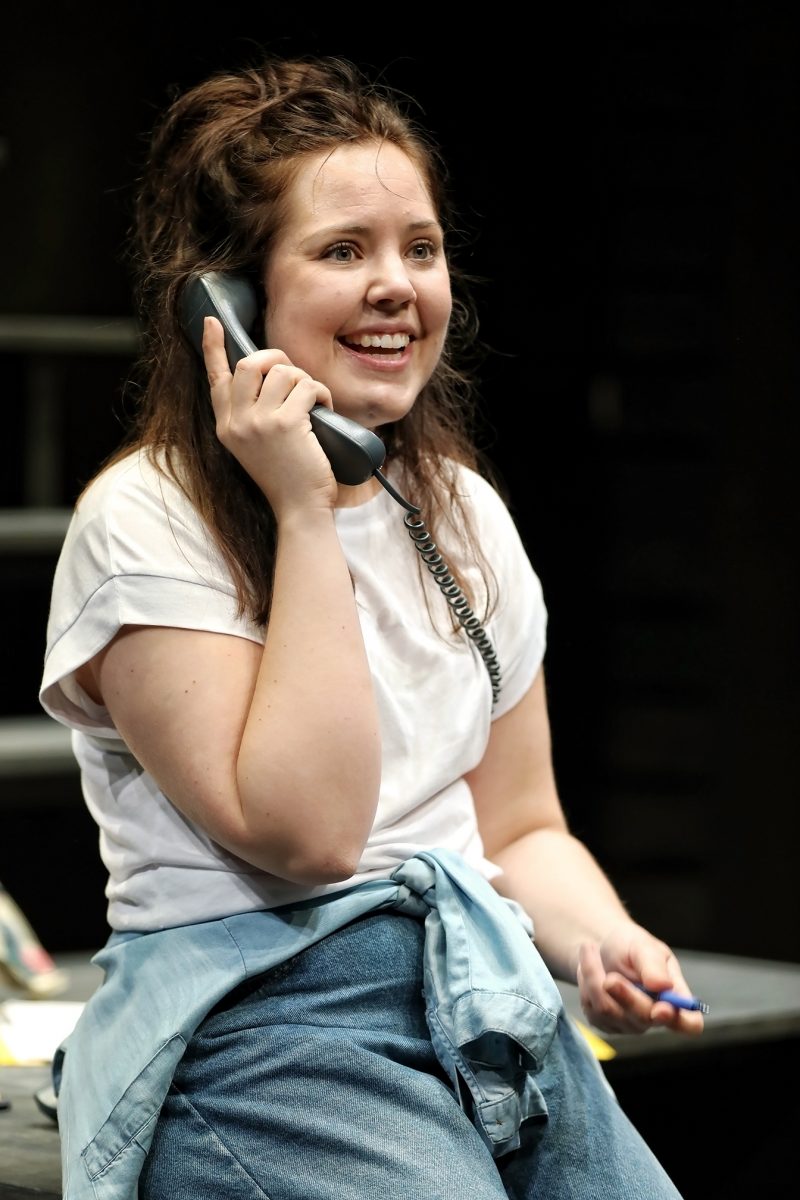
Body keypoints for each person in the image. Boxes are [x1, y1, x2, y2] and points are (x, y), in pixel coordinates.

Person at [39, 52, 704, 1200]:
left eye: (422, 248)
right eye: (343, 251)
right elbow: (307, 838)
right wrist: (304, 510)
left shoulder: (460, 508)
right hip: (264, 1025)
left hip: (476, 989)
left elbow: (521, 824)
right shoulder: (141, 519)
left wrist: (596, 939)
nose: (397, 285)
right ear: (229, 303)